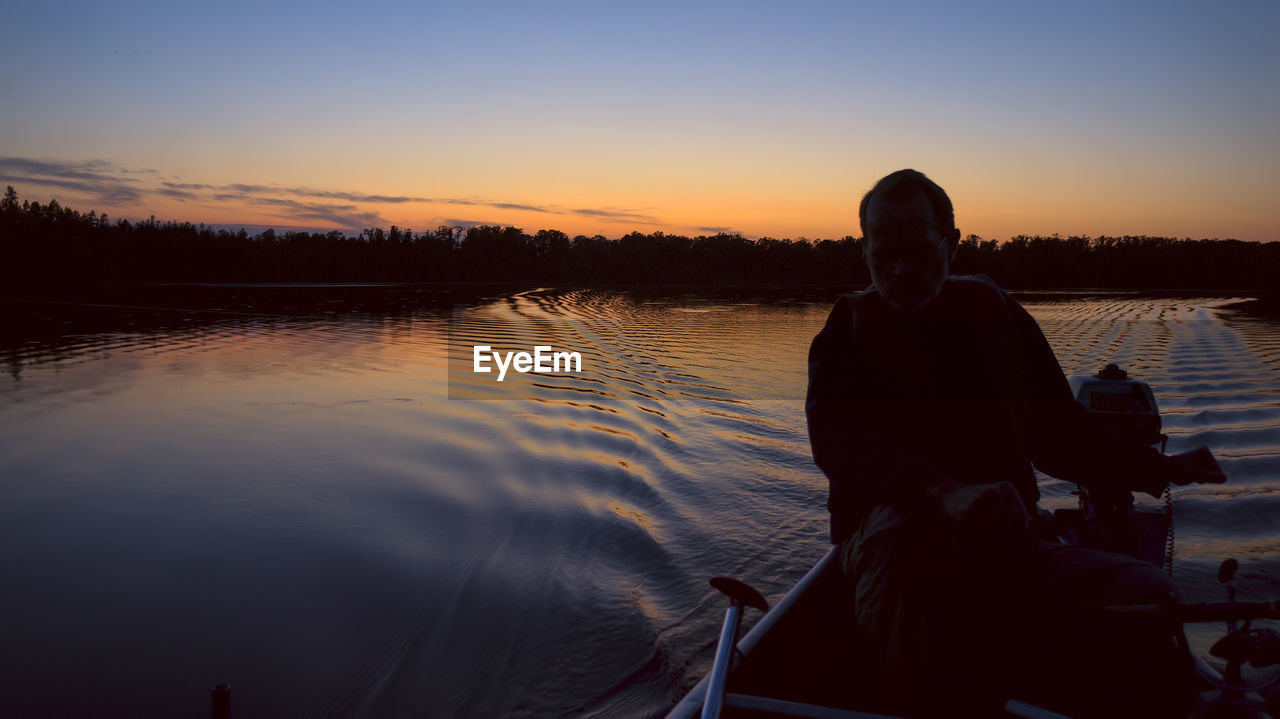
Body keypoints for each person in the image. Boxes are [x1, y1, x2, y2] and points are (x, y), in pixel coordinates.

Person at [805, 169, 1226, 718]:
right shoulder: (847, 330)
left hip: (1005, 549)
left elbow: (1059, 431)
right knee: (903, 540)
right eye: (884, 254)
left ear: (950, 245)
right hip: (895, 557)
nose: (901, 269)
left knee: (1152, 595)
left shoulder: (996, 315)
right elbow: (837, 443)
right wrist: (939, 489)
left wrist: (1156, 467)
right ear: (864, 252)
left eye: (918, 250)